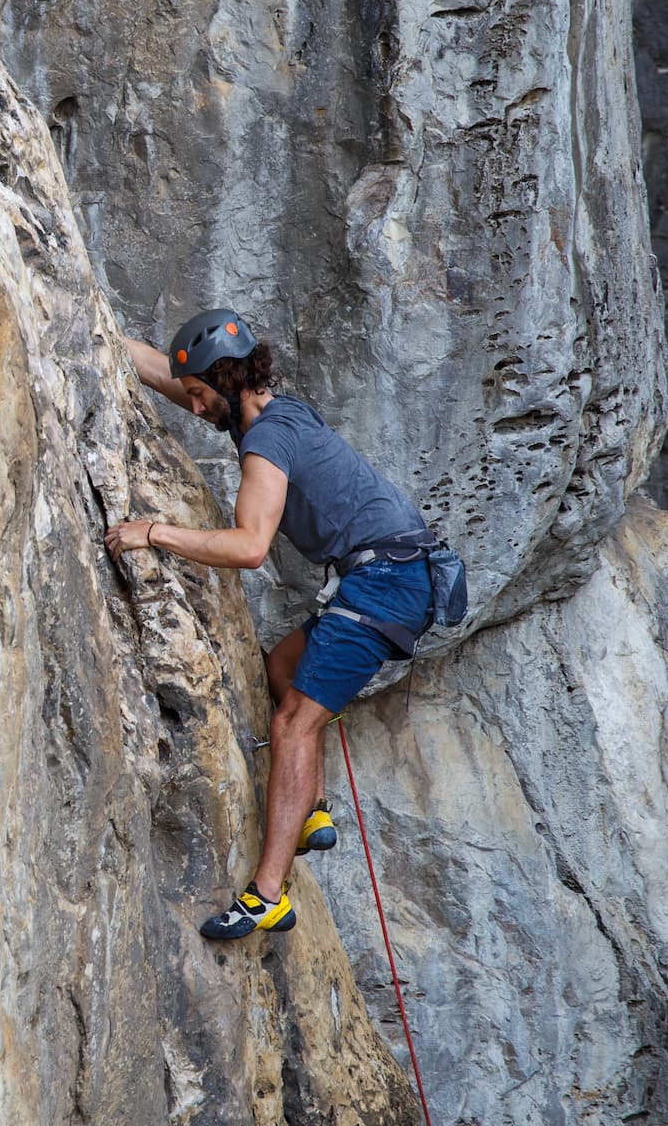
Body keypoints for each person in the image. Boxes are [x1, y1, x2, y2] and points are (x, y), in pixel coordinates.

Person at [104, 308, 444, 940]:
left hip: (385, 582)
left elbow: (250, 546)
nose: (198, 411)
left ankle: (267, 896)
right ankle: (312, 809)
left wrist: (154, 533)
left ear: (227, 380)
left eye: (203, 396)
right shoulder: (266, 410)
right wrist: (93, 321)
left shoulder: (266, 439)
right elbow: (157, 369)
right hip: (389, 571)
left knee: (293, 724)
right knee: (282, 671)